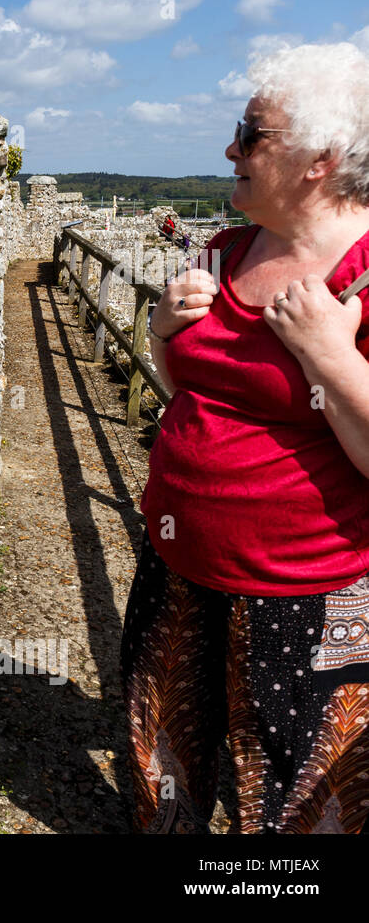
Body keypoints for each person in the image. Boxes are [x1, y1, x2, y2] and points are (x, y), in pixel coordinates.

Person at [122, 42, 369, 833]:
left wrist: (330, 354)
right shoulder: (225, 251)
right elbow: (189, 391)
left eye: (250, 133)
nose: (230, 148)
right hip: (176, 564)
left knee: (296, 806)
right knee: (167, 772)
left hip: (302, 593)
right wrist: (160, 334)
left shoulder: (363, 275)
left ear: (320, 159)